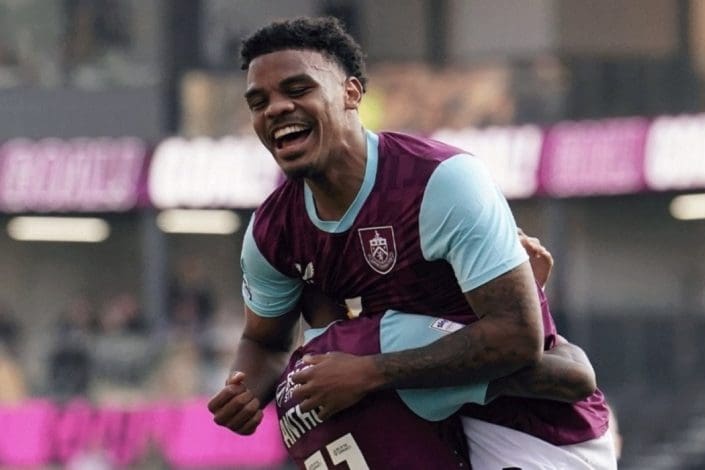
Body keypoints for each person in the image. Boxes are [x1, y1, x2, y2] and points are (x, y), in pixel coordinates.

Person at [207, 16, 614, 469]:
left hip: (537, 433)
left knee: (354, 354)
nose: (276, 109)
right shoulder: (272, 232)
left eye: (298, 89)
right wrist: (244, 391)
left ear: (351, 93)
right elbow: (263, 343)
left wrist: (368, 374)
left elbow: (521, 340)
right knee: (306, 390)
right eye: (258, 101)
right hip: (423, 417)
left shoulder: (440, 182)